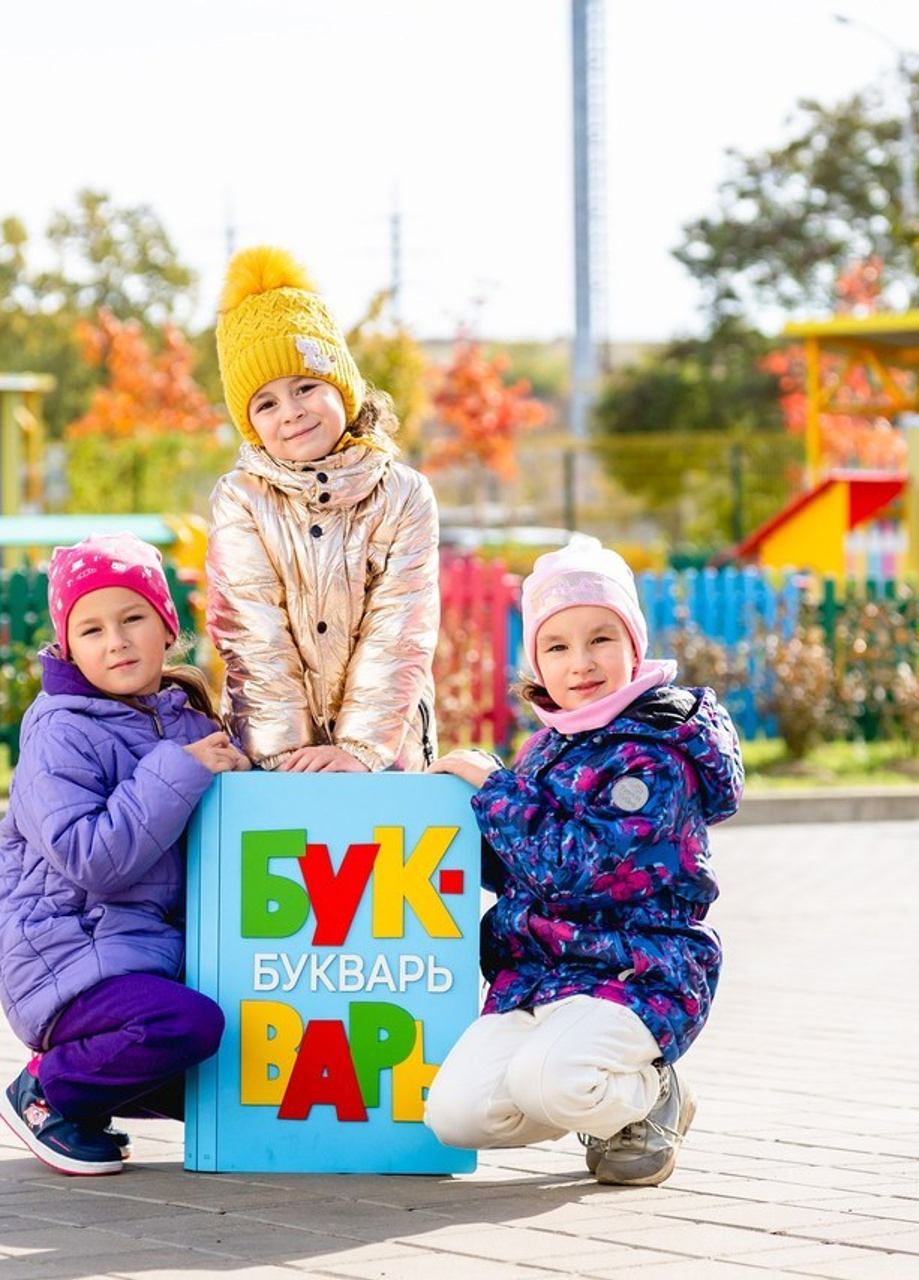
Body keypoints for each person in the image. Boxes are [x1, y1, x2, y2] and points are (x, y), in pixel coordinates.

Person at [423, 541, 743, 1186]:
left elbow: (581, 871)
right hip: (538, 975)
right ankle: (584, 1091)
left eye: (601, 638)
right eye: (558, 646)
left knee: (553, 1082)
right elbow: (525, 868)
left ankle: (647, 1098)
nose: (582, 663)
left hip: (635, 968)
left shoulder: (654, 754)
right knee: (457, 1115)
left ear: (634, 644)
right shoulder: (552, 744)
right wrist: (443, 822)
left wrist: (497, 790)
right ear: (536, 659)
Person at [0, 531, 250, 1176]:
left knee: (246, 1079)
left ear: (167, 627)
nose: (117, 641)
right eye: (93, 628)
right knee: (184, 1026)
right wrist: (180, 771)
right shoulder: (61, 731)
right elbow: (91, 860)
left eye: (134, 617)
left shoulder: (189, 723)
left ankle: (90, 1098)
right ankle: (48, 1087)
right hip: (72, 957)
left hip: (148, 955)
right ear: (69, 646)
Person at [207, 245, 440, 774]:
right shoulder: (241, 497)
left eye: (306, 387)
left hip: (385, 754)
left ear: (341, 386)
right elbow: (251, 630)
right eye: (266, 403)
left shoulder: (403, 494)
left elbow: (400, 627)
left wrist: (359, 749)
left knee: (382, 858)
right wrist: (282, 757)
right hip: (275, 758)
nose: (290, 413)